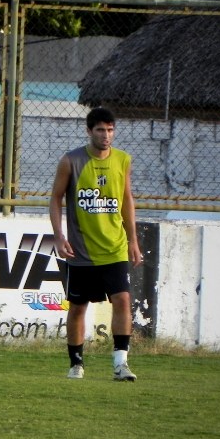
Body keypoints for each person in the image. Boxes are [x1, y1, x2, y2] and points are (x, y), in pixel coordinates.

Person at [49, 107, 142, 381]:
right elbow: (55, 199)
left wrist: (133, 240)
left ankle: (120, 364)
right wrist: (58, 234)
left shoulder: (123, 160)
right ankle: (76, 363)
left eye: (111, 130)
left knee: (123, 300)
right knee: (78, 307)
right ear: (89, 131)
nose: (106, 135)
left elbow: (126, 201)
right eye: (100, 130)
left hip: (114, 248)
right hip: (81, 251)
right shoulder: (71, 161)